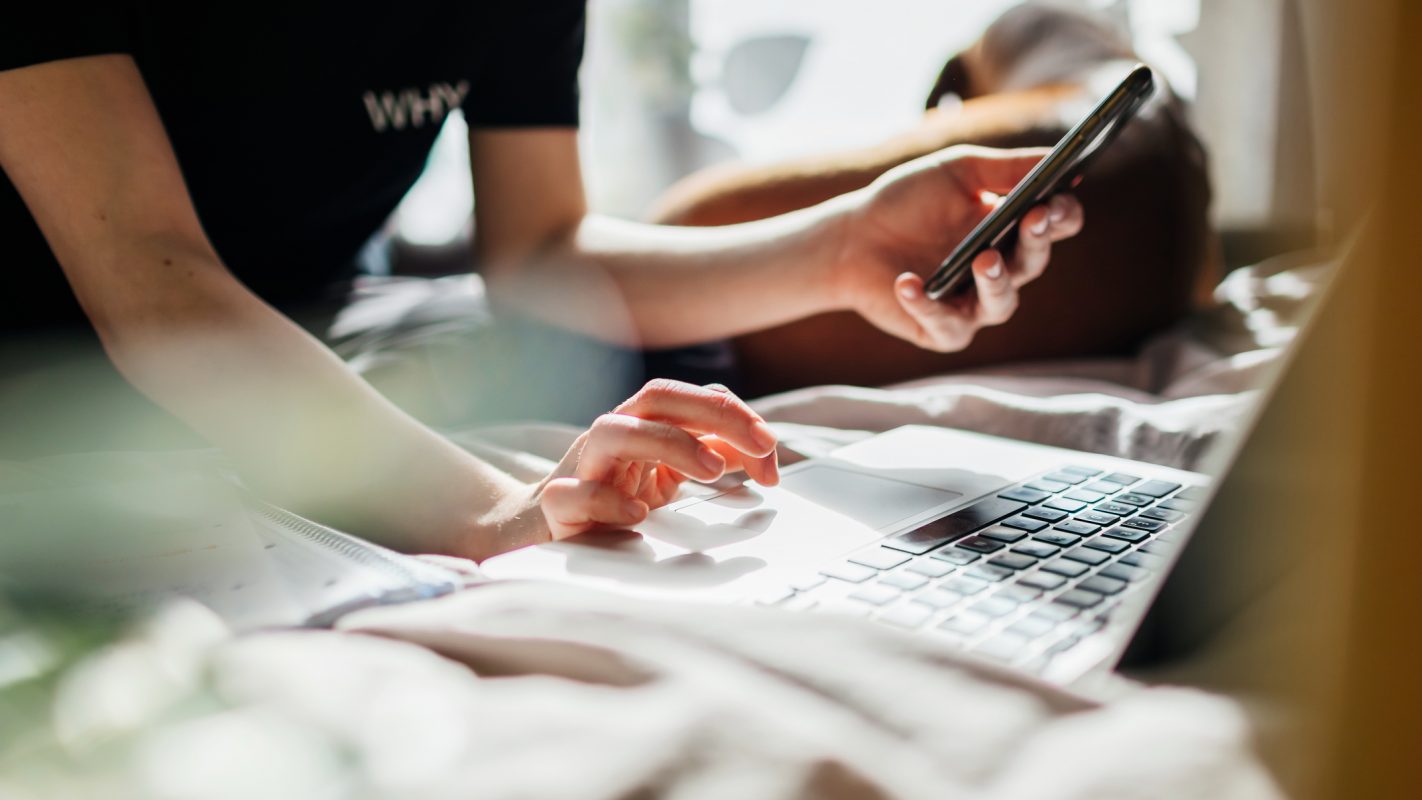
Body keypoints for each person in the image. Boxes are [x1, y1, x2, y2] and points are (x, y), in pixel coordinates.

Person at [0, 3, 1082, 560]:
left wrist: (841, 245)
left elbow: (539, 254)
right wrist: (498, 511)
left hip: (302, 314)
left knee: (634, 365)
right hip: (55, 347)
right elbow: (153, 280)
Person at [652, 4, 1214, 394]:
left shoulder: (689, 221)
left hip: (678, 287)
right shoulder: (1176, 147)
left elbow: (669, 231)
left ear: (955, 93)